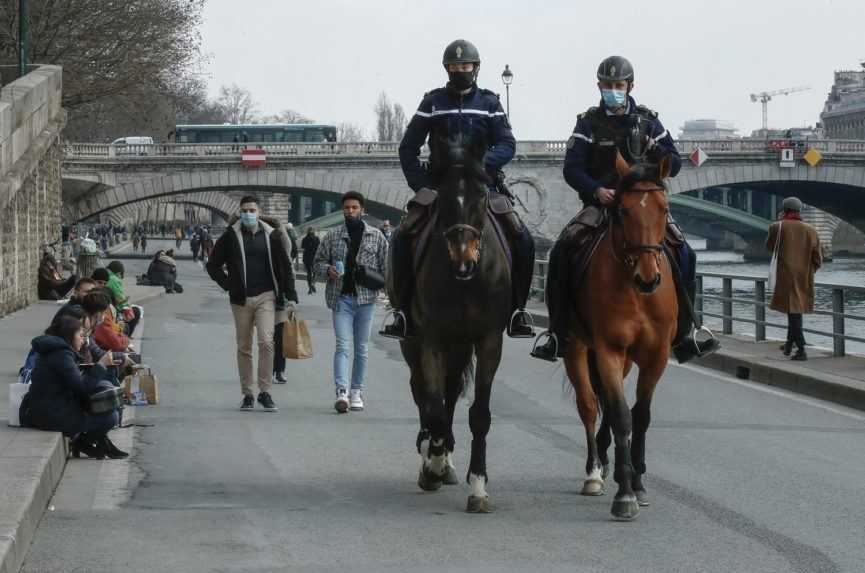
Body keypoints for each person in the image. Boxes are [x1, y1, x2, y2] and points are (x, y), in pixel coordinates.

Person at [531, 55, 720, 363]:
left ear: (630, 86)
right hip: (601, 204)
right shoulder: (588, 123)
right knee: (563, 249)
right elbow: (572, 168)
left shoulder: (649, 121)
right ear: (599, 86)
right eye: (608, 85)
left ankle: (686, 332)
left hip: (642, 204)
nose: (613, 90)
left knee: (686, 252)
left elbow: (673, 161)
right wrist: (596, 190)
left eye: (619, 85)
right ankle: (558, 332)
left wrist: (660, 158)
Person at [381, 38, 535, 340]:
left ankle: (518, 310)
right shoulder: (432, 102)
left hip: (482, 186)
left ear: (475, 69)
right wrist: (421, 186)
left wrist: (479, 168)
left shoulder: (490, 103)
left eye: (465, 66)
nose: (460, 70)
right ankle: (401, 311)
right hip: (440, 188)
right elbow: (408, 147)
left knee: (523, 238)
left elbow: (507, 143)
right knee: (402, 235)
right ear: (447, 69)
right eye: (454, 66)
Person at [206, 195, 298, 412]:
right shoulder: (230, 236)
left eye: (252, 210)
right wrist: (229, 284)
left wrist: (290, 294)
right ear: (240, 213)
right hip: (241, 299)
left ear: (259, 212)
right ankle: (248, 393)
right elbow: (213, 265)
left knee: (267, 342)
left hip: (267, 295)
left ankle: (265, 392)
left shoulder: (271, 235)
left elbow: (285, 265)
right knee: (244, 346)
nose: (248, 214)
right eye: (244, 210)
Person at [313, 191, 388, 413]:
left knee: (362, 349)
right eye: (346, 208)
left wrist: (386, 289)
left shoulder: (376, 236)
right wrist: (328, 270)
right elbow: (317, 264)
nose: (350, 211)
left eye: (354, 207)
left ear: (362, 210)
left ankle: (357, 391)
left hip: (366, 300)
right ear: (342, 210)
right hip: (341, 299)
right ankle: (342, 391)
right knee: (343, 346)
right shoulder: (333, 236)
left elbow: (387, 268)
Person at [23, 315, 127, 459]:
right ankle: (82, 442)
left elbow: (73, 384)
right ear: (69, 335)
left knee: (103, 389)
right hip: (51, 415)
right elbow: (82, 389)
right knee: (110, 417)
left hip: (48, 408)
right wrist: (101, 365)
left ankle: (92, 442)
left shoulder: (57, 351)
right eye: (80, 335)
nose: (83, 340)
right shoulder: (61, 354)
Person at [766, 197, 822, 361]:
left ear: (784, 210)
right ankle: (790, 345)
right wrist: (809, 271)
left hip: (785, 276)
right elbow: (818, 258)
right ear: (799, 210)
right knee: (795, 312)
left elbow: (769, 247)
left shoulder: (777, 227)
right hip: (804, 276)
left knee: (793, 312)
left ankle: (801, 349)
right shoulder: (811, 230)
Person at [301, 227, 321, 295]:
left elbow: (303, 247)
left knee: (309, 273)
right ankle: (313, 283)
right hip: (315, 258)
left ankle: (309, 288)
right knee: (315, 272)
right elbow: (319, 248)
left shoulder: (304, 239)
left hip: (307, 258)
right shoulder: (317, 239)